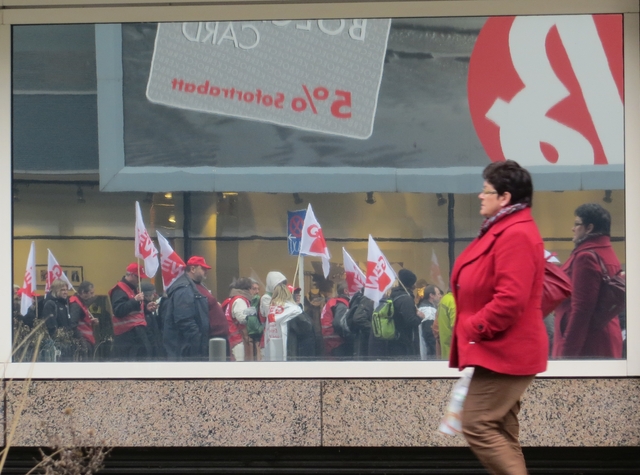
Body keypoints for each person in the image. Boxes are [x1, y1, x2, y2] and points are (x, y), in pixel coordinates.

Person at [450, 160, 547, 475]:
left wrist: (473, 327)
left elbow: (511, 298)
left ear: (504, 198)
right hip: (498, 350)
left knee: (477, 423)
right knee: (501, 430)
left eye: (486, 190)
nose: (480, 196)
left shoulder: (515, 234)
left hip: (506, 351)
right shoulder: (504, 229)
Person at [552, 203, 623, 358]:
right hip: (604, 335)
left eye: (577, 224)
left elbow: (581, 310)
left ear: (589, 228)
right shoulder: (607, 253)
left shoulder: (586, 257)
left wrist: (567, 354)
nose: (573, 229)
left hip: (586, 344)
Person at [368, 269, 425, 359]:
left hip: (393, 340)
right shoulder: (406, 299)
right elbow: (410, 320)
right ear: (412, 284)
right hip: (404, 343)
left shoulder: (393, 295)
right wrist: (420, 317)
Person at [163, 256, 211, 361]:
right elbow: (184, 319)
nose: (206, 271)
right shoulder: (184, 288)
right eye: (202, 268)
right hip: (187, 348)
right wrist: (197, 339)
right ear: (193, 269)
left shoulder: (193, 286)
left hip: (191, 346)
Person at [109, 263, 152, 360]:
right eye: (139, 277)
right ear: (131, 275)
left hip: (136, 335)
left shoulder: (133, 289)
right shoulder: (119, 290)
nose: (140, 280)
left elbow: (136, 311)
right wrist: (134, 301)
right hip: (126, 337)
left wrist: (146, 309)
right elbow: (118, 310)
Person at [263, 282, 302, 361]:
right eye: (295, 293)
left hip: (272, 342)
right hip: (288, 345)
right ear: (288, 294)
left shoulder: (271, 308)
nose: (298, 296)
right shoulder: (292, 309)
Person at [222, 277, 255, 361]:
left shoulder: (234, 299)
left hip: (234, 337)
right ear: (247, 289)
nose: (254, 292)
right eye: (252, 288)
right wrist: (253, 313)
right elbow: (242, 318)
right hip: (237, 339)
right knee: (239, 365)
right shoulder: (240, 300)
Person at [68, 280, 99, 361]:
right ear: (83, 292)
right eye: (91, 293)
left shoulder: (80, 303)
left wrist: (91, 321)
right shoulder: (76, 305)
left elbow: (81, 320)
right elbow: (73, 324)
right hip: (83, 340)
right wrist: (81, 339)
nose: (93, 295)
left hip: (86, 340)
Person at [320, 281, 351, 359]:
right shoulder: (341, 304)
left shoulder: (332, 302)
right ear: (346, 291)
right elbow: (338, 323)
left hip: (328, 339)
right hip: (337, 341)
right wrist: (349, 336)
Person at [417, 284, 442, 360]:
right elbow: (430, 335)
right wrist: (434, 354)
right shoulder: (429, 311)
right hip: (430, 354)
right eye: (438, 294)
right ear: (431, 295)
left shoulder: (425, 308)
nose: (440, 296)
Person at [140, 282, 163, 360]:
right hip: (151, 347)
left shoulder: (144, 309)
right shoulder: (146, 312)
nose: (154, 296)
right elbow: (150, 330)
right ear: (147, 295)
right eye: (153, 294)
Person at [437, 289, 456, 360]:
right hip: (454, 354)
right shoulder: (453, 302)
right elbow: (456, 328)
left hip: (445, 351)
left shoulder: (444, 299)